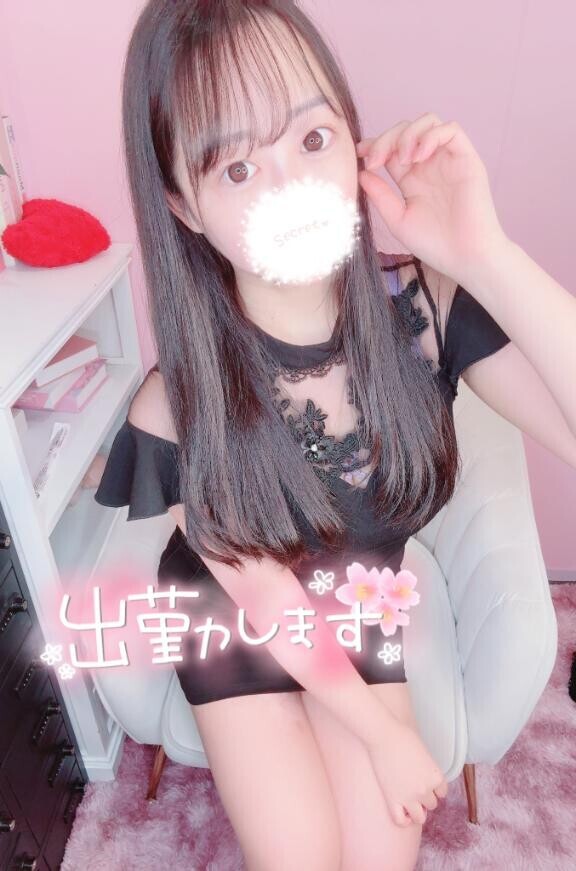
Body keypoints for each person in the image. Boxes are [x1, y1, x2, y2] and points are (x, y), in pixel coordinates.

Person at [94, 2, 517, 869]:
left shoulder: (428, 310)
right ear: (182, 204)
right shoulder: (177, 401)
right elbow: (264, 600)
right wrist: (386, 736)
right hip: (233, 609)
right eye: (238, 167)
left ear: (352, 139)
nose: (289, 188)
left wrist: (489, 256)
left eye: (313, 139)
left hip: (351, 596)